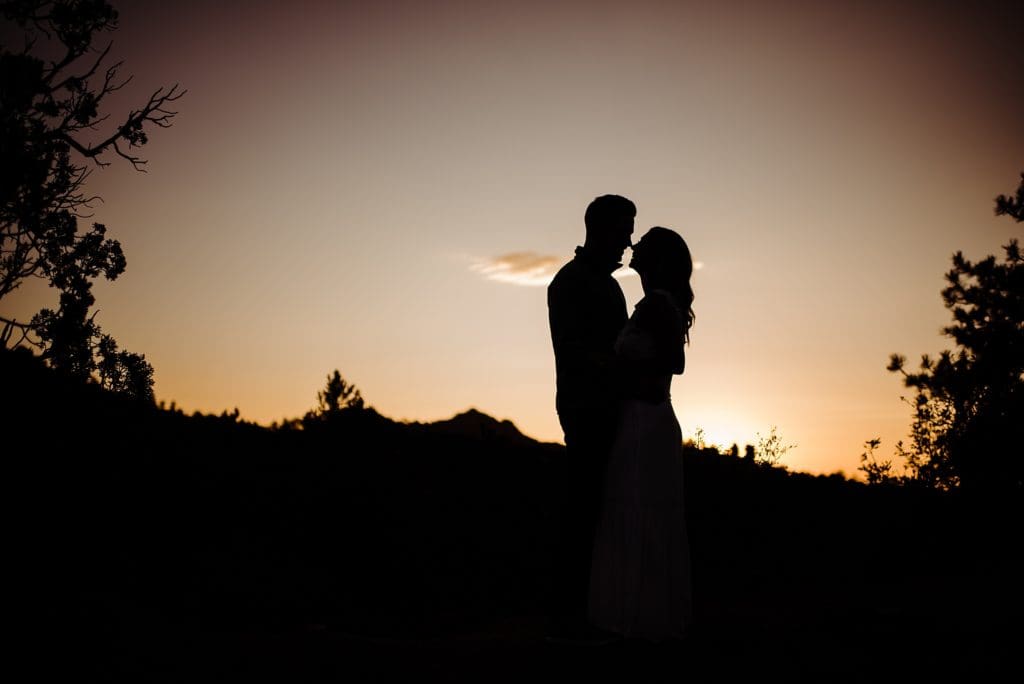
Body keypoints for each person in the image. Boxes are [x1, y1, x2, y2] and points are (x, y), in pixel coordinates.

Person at [588, 226, 694, 641]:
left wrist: (614, 374)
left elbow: (673, 365)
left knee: (637, 507)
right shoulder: (654, 304)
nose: (633, 246)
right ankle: (642, 613)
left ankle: (632, 617)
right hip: (643, 419)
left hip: (644, 419)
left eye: (643, 244)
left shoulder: (656, 306)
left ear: (659, 260)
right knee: (634, 507)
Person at [546, 194, 635, 642]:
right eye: (623, 230)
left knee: (605, 515)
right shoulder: (570, 283)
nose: (628, 240)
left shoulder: (608, 285)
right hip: (588, 413)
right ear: (599, 229)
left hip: (614, 413)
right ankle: (570, 616)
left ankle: (598, 608)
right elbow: (576, 353)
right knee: (584, 512)